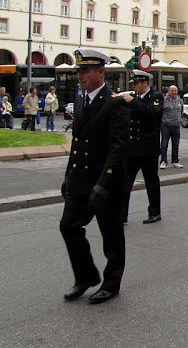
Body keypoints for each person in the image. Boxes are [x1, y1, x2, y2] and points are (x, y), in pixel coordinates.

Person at [59, 48, 129, 304]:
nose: (81, 76)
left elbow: (118, 147)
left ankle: (111, 284)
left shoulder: (114, 103)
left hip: (105, 182)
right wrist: (68, 176)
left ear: (101, 72)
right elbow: (77, 143)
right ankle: (86, 275)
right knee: (68, 226)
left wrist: (104, 183)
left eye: (86, 71)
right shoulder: (81, 100)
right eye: (78, 71)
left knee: (111, 236)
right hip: (81, 180)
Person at [120, 70, 164, 224]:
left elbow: (152, 113)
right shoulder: (135, 98)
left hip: (148, 149)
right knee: (125, 182)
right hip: (132, 147)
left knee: (151, 182)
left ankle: (154, 212)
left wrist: (132, 102)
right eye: (133, 84)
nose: (134, 86)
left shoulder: (156, 97)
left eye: (136, 83)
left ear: (145, 83)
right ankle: (122, 214)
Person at [160, 85, 184, 169]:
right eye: (172, 90)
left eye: (175, 90)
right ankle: (163, 161)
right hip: (166, 125)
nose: (174, 92)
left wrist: (179, 120)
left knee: (175, 145)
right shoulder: (164, 101)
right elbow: (160, 112)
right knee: (164, 144)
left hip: (176, 126)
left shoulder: (180, 101)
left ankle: (175, 161)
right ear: (169, 91)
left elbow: (181, 111)